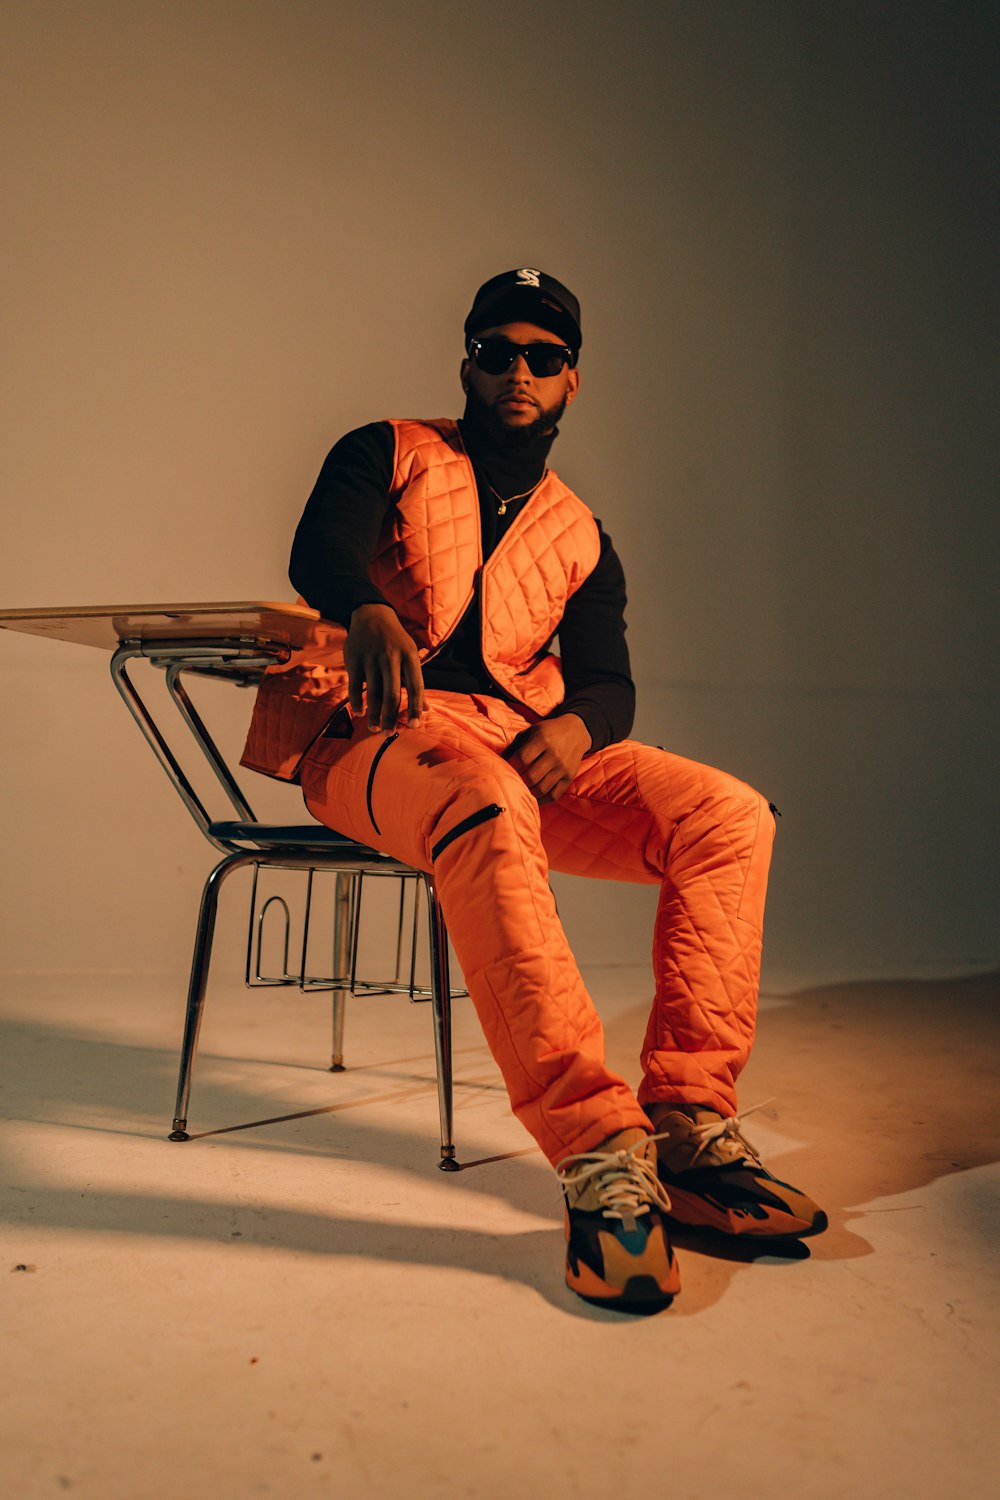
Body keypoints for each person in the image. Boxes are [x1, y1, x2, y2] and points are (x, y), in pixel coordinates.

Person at [241, 268, 826, 1311]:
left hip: (518, 747)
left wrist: (577, 726)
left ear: (571, 382)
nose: (518, 371)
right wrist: (364, 607)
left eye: (542, 358)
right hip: (372, 737)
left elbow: (610, 681)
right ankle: (599, 1151)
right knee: (480, 798)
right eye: (496, 351)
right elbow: (320, 547)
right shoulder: (387, 448)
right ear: (465, 362)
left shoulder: (580, 532)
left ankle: (688, 1129)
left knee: (726, 815)